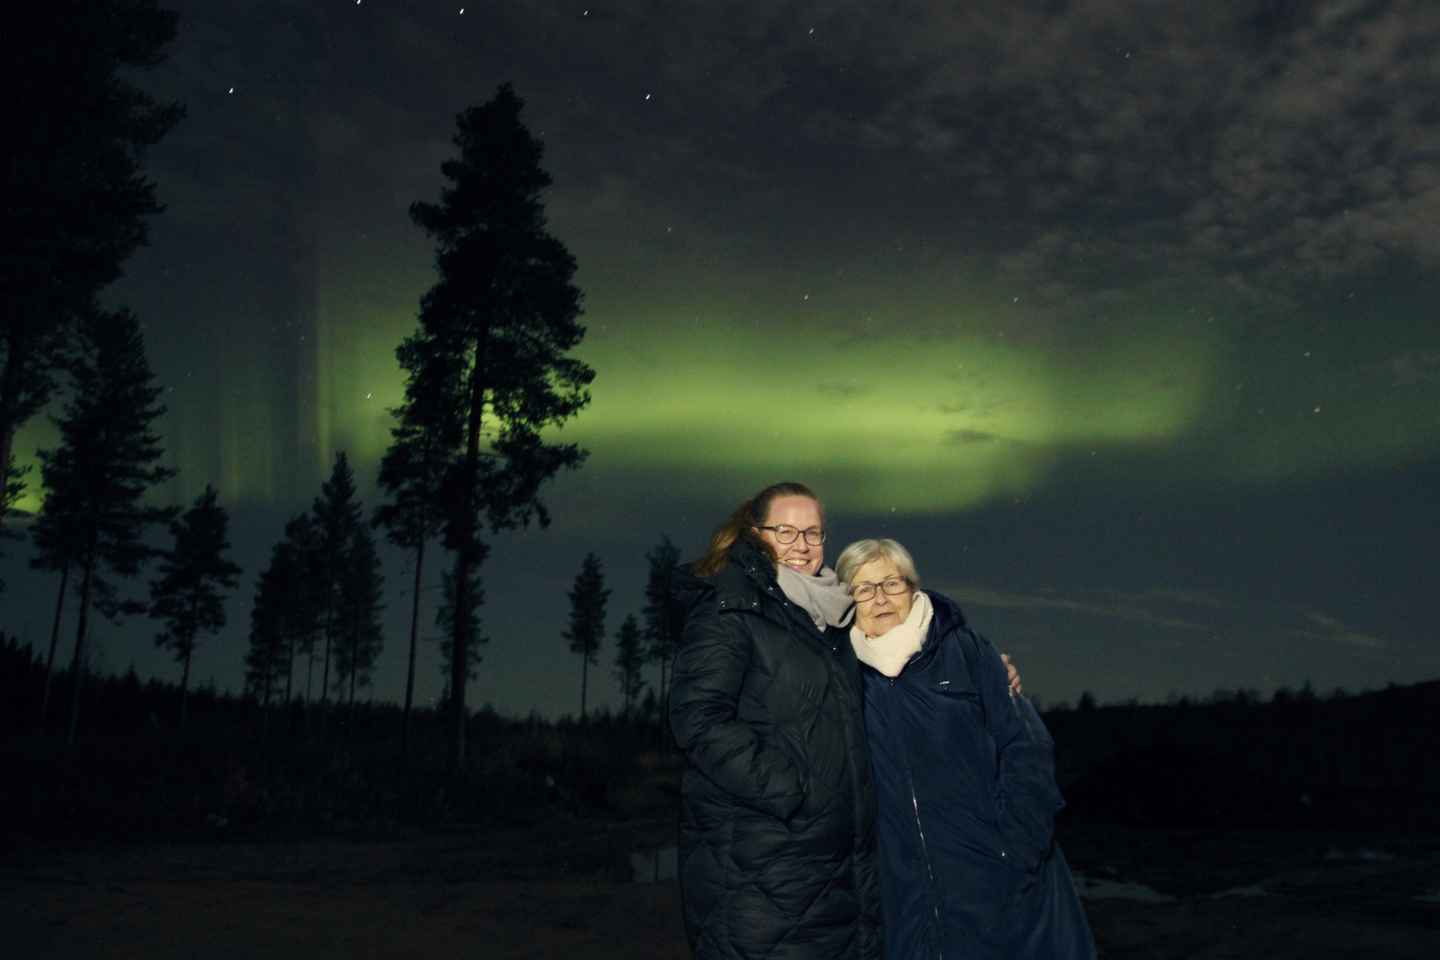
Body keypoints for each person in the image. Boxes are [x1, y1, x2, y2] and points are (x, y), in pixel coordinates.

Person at [834, 537, 1095, 960]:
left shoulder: (966, 652)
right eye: (864, 588)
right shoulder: (842, 674)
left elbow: (1026, 750)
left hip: (994, 876)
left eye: (892, 584)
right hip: (903, 891)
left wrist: (1016, 848)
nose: (880, 598)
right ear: (848, 600)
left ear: (914, 588)